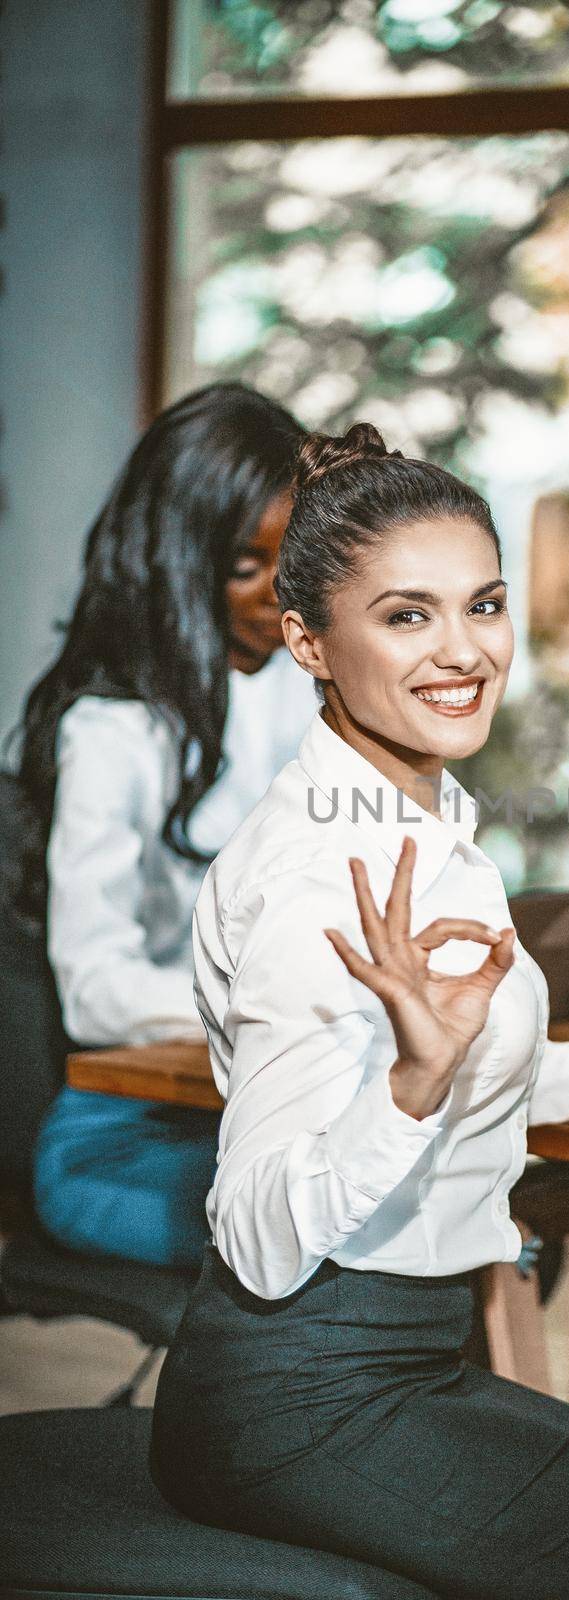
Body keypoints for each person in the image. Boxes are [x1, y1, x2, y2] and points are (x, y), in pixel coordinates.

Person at [151, 423, 569, 1600]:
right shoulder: (327, 879)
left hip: (408, 1358)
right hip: (305, 1394)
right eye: (407, 615)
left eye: (485, 603)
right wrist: (413, 1084)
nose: (464, 651)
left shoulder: (421, 820)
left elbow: (461, 1067)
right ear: (308, 642)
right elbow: (257, 1233)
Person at [13, 382, 315, 1269]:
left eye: (292, 560)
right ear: (178, 562)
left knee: (427, 1205)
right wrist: (269, 1006)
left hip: (264, 1108)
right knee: (363, 1229)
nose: (277, 596)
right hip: (121, 1134)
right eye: (242, 567)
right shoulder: (114, 734)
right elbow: (96, 990)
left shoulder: (302, 694)